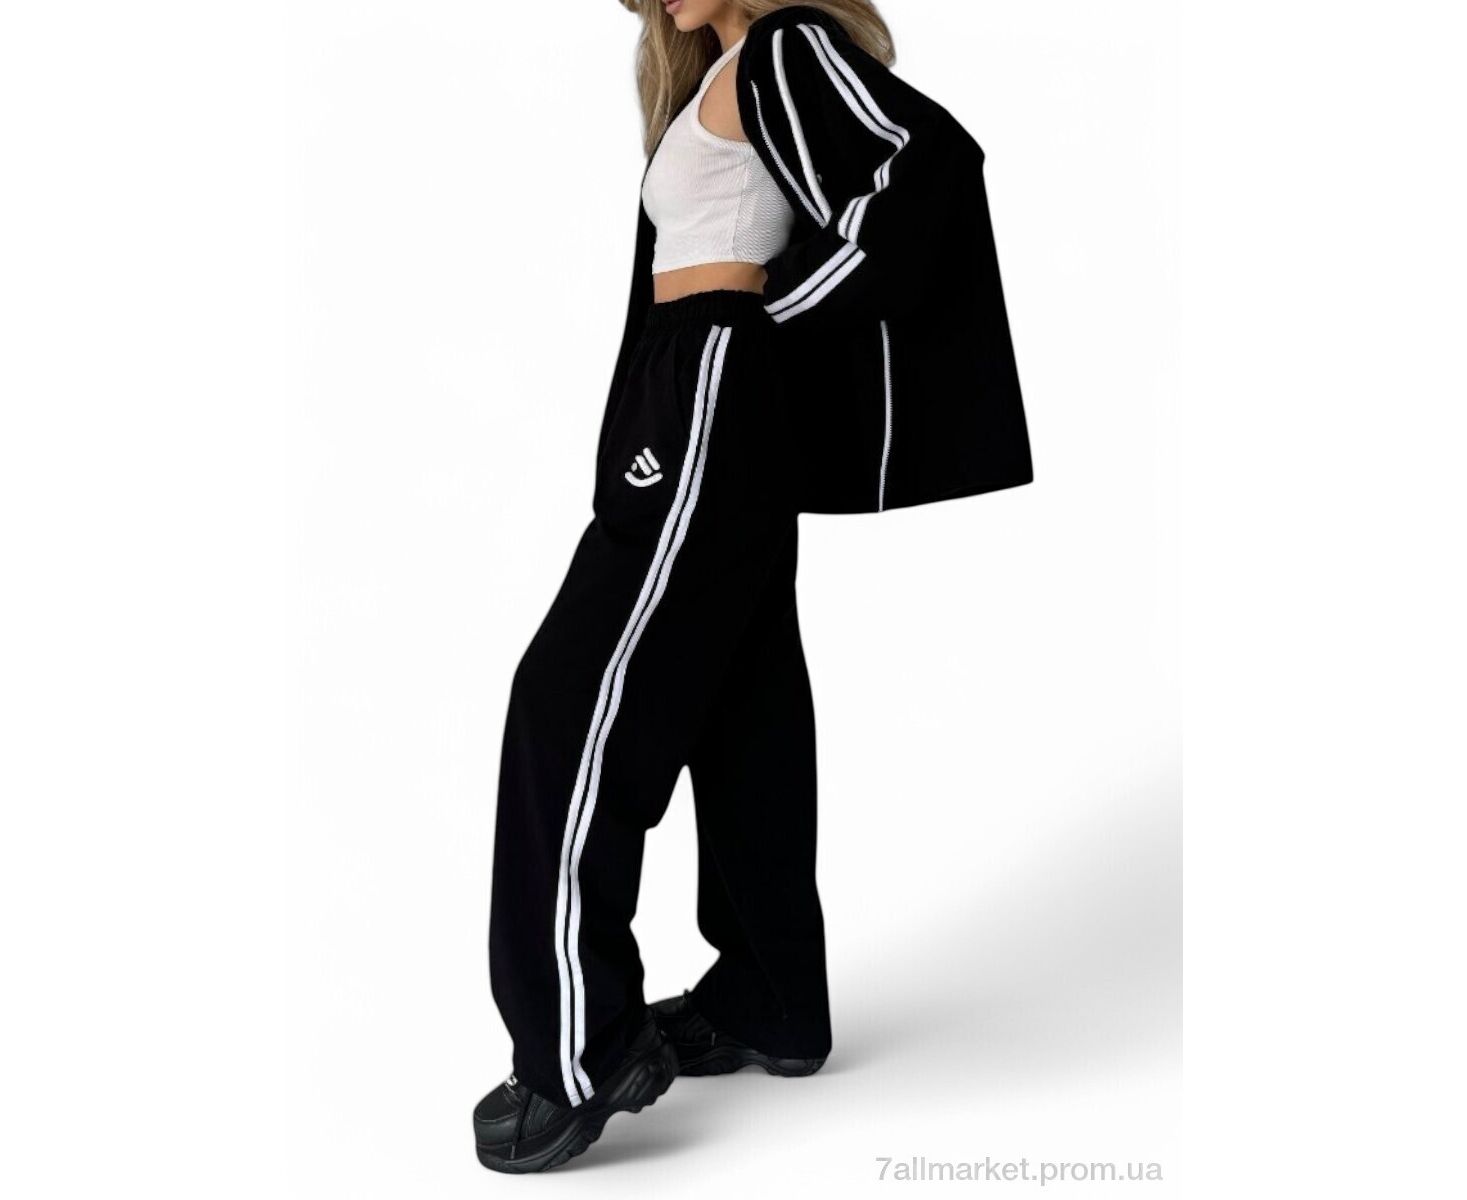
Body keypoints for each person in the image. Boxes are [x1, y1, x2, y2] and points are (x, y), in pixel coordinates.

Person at [473, 0, 1032, 1173]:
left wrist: (765, 317)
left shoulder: (783, 46)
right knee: (741, 699)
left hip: (714, 381)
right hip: (696, 387)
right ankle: (771, 996)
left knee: (568, 696)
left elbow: (929, 169)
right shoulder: (719, 74)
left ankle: (578, 1052)